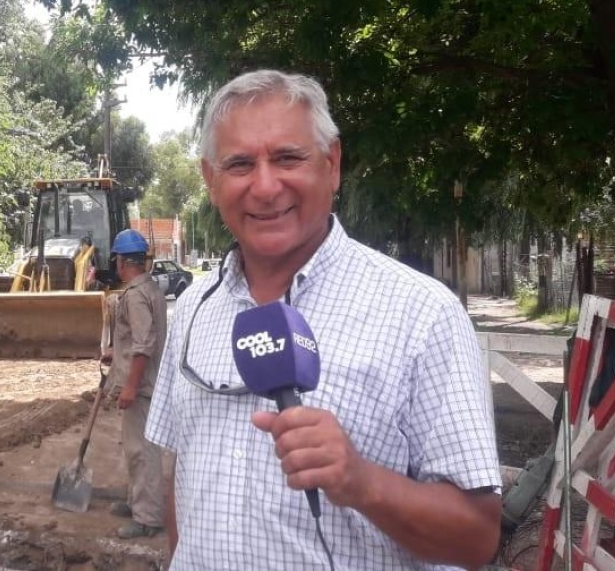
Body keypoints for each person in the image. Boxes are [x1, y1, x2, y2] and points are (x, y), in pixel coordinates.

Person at [144, 70, 501, 569]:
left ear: (331, 164)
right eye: (240, 164)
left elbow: (477, 538)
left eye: (288, 158)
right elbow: (182, 480)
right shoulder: (194, 310)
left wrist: (362, 481)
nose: (265, 187)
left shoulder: (423, 315)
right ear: (211, 180)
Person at [105, 228, 169, 539]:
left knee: (143, 451)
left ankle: (147, 518)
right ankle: (137, 501)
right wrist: (113, 352)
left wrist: (129, 386)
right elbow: (137, 339)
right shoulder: (150, 289)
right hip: (146, 383)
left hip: (142, 388)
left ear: (120, 261)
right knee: (135, 449)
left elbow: (144, 344)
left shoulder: (134, 295)